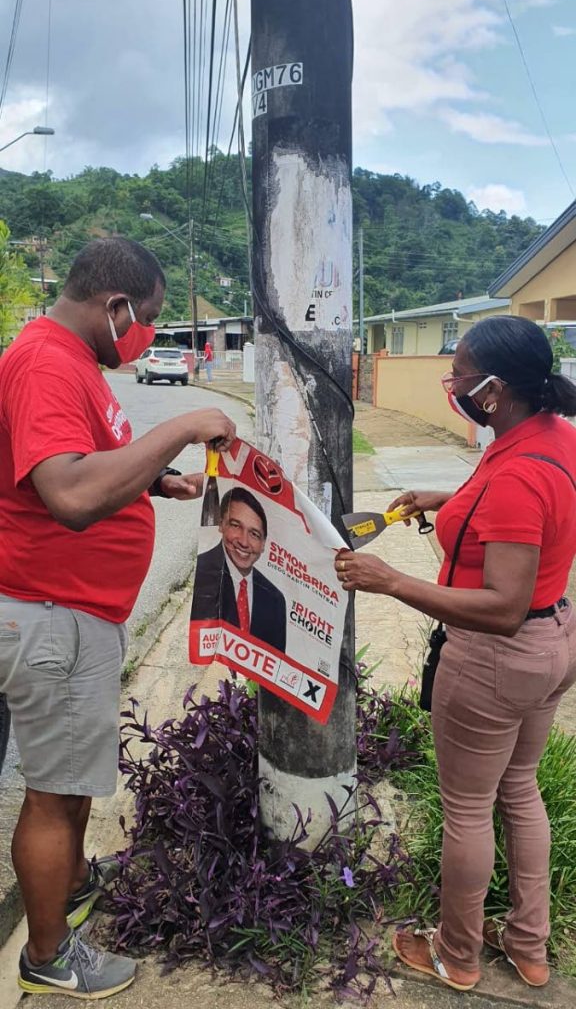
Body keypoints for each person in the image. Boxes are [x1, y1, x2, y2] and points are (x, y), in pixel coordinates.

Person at [0, 237, 236, 999]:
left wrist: (152, 480)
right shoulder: (45, 363)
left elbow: (83, 462)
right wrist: (182, 427)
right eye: (149, 320)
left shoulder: (73, 364)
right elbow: (68, 494)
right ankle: (47, 956)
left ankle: (63, 887)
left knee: (67, 788)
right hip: (50, 612)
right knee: (55, 791)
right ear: (115, 307)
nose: (148, 336)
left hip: (70, 611)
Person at [335, 316, 576, 992]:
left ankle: (456, 954)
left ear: (495, 391)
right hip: (555, 642)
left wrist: (392, 581)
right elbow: (529, 517)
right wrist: (455, 503)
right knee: (519, 791)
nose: (453, 384)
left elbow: (501, 605)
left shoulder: (517, 478)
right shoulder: (554, 438)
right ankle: (529, 947)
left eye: (461, 375)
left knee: (469, 810)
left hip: (497, 660)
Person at [191, 486, 287, 653]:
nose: (244, 541)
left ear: (264, 544)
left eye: (254, 534)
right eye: (235, 526)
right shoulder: (202, 575)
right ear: (221, 524)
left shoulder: (275, 600)